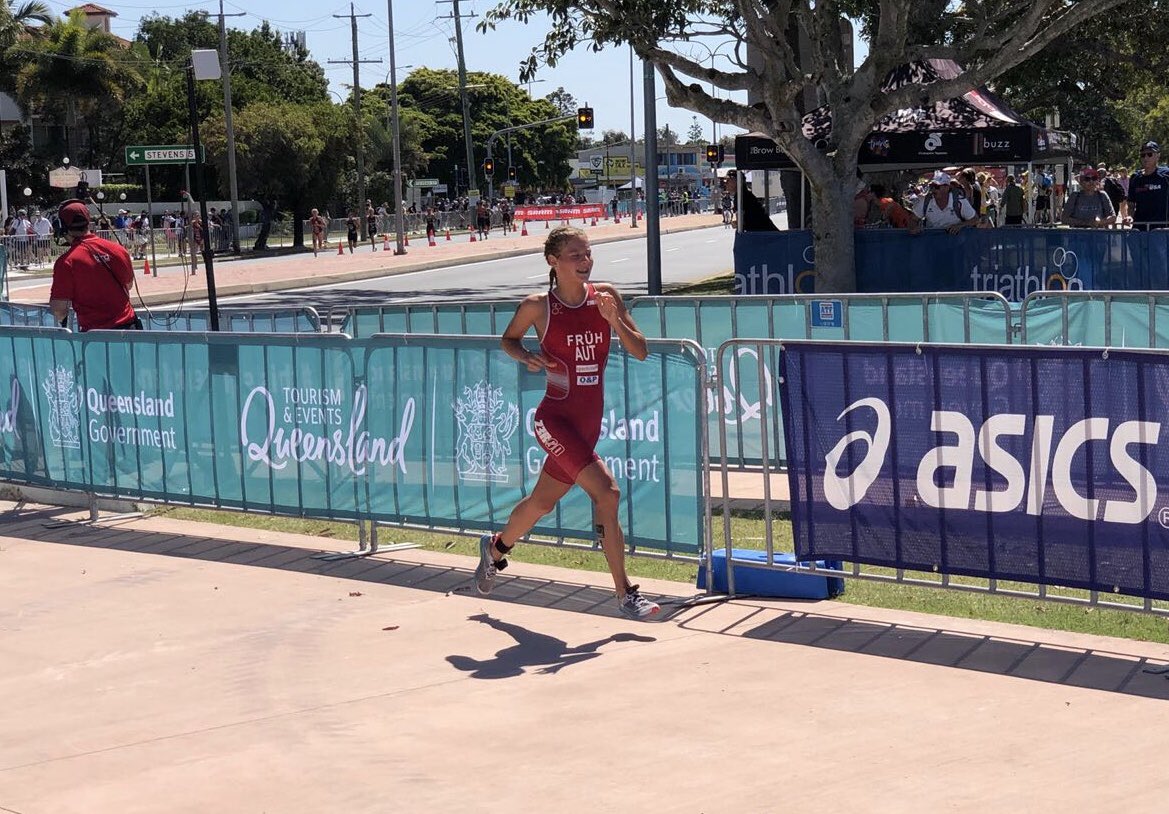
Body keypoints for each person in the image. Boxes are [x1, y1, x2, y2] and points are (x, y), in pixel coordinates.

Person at [475, 226, 660, 620]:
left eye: (588, 254)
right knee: (607, 494)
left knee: (541, 503)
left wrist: (615, 321)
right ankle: (625, 593)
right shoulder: (538, 307)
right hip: (553, 419)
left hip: (587, 425)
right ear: (553, 262)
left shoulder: (607, 297)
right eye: (575, 255)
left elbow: (640, 351)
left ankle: (494, 549)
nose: (585, 261)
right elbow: (508, 339)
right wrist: (524, 356)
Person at [49, 200, 141, 332]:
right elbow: (129, 285)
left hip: (95, 337)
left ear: (61, 226)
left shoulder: (66, 262)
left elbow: (59, 308)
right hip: (129, 330)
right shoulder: (118, 250)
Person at [911, 171, 979, 233]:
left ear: (947, 188)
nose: (934, 189)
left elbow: (975, 219)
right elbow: (913, 219)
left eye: (937, 187)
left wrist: (960, 225)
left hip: (955, 241)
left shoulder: (959, 201)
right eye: (931, 186)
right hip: (931, 241)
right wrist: (914, 227)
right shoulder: (925, 201)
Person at [1126, 141, 1169, 230]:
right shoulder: (1135, 177)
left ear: (1158, 156)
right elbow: (1131, 203)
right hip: (1139, 228)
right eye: (1143, 155)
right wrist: (1129, 216)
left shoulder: (1166, 175)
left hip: (1161, 229)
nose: (1146, 158)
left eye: (1149, 154)